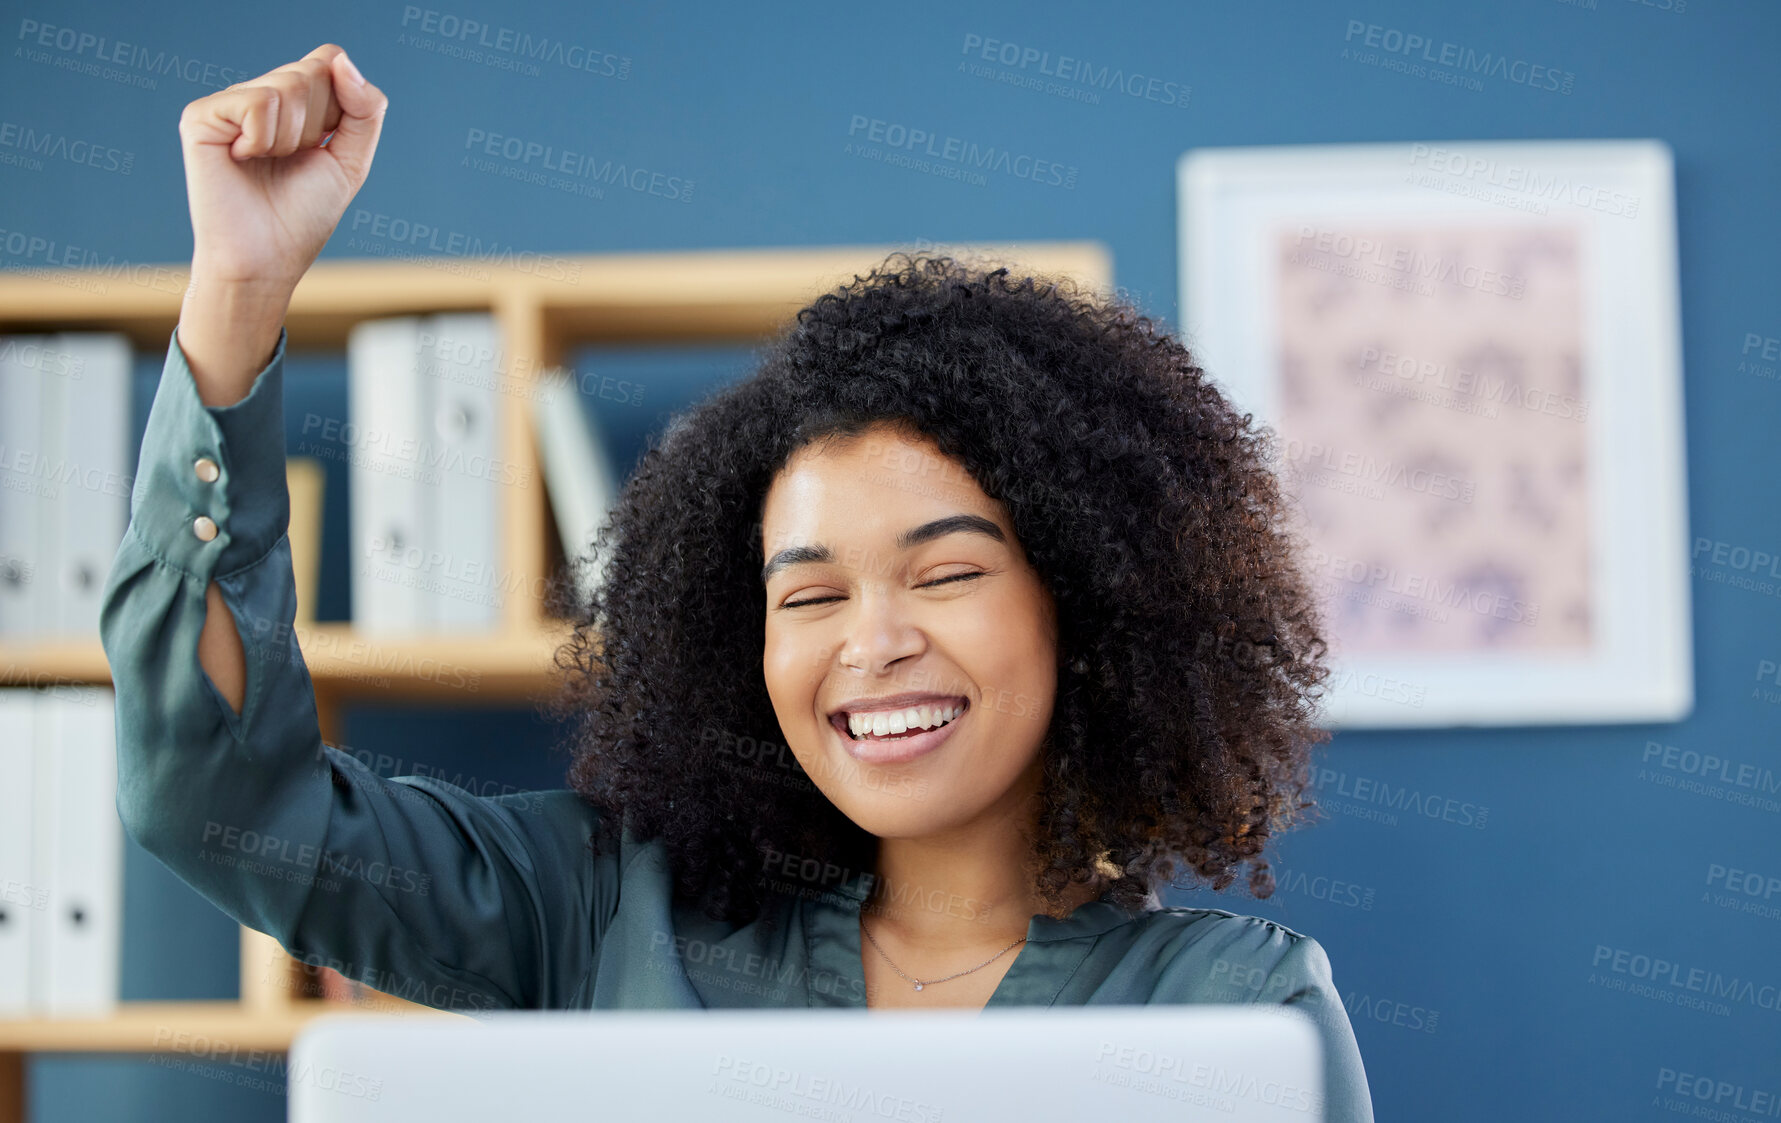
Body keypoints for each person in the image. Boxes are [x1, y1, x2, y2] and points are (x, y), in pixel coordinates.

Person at [99, 43, 1374, 1121]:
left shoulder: (1230, 1010)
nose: (871, 643)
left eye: (942, 574)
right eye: (808, 596)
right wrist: (241, 285)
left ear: (1085, 603)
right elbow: (220, 796)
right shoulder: (595, 902)